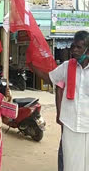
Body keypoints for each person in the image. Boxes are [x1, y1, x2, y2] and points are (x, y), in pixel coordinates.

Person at [31, 30, 89, 171]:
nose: (74, 50)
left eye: (79, 47)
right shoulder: (67, 66)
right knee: (70, 163)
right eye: (73, 46)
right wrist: (32, 66)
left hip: (87, 125)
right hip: (70, 123)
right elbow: (49, 78)